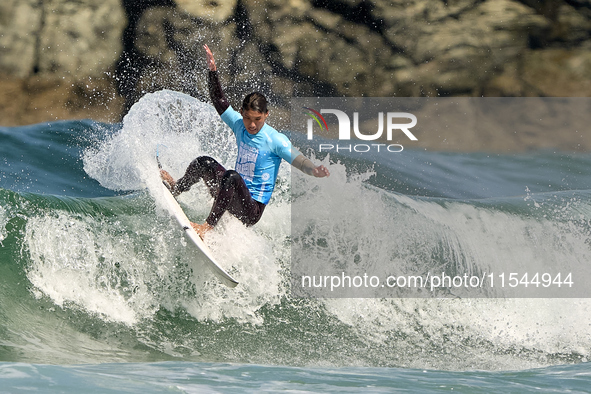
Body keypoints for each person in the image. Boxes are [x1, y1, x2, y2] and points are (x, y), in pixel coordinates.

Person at [160, 44, 330, 238]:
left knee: (232, 176)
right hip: (231, 195)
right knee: (204, 162)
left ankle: (206, 228)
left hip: (250, 210)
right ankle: (177, 187)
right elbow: (219, 100)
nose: (251, 124)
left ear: (266, 115)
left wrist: (314, 170)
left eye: (257, 119)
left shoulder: (275, 139)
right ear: (242, 114)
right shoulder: (239, 125)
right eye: (248, 118)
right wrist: (213, 72)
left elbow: (298, 160)